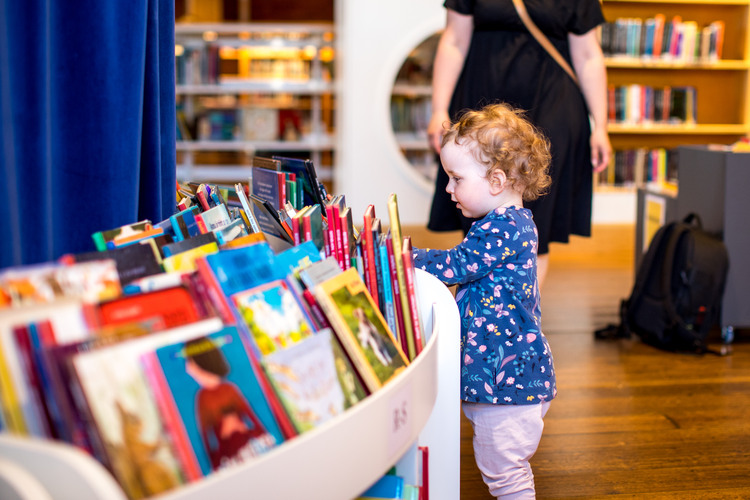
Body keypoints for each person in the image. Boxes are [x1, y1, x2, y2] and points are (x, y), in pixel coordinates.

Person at [413, 103, 556, 498]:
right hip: (503, 381)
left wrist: (401, 256)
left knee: (505, 476)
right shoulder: (502, 224)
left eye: (455, 178)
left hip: (507, 386)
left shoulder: (504, 228)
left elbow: (453, 266)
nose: (448, 189)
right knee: (501, 468)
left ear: (496, 180)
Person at [426, 0, 612, 288]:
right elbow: (454, 39)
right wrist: (439, 108)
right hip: (481, 104)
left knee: (538, 217)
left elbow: (588, 55)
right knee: (473, 200)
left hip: (552, 105)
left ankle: (519, 314)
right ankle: (481, 313)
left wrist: (600, 124)